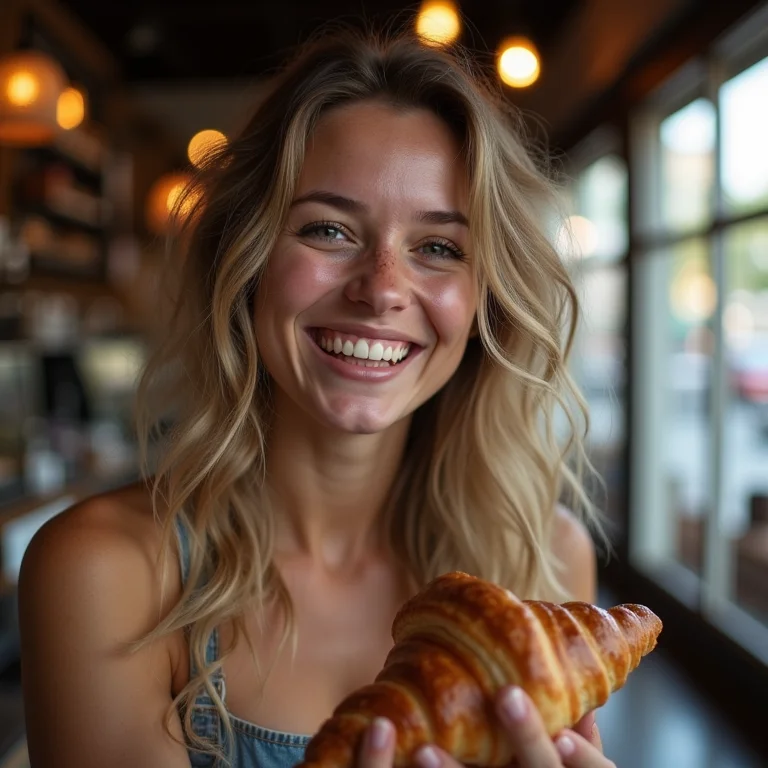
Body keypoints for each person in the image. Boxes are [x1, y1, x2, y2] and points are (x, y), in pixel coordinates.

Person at [18, 27, 614, 768]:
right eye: (328, 230)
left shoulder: (547, 561)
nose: (383, 289)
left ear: (486, 301)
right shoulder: (106, 574)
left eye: (438, 247)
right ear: (246, 263)